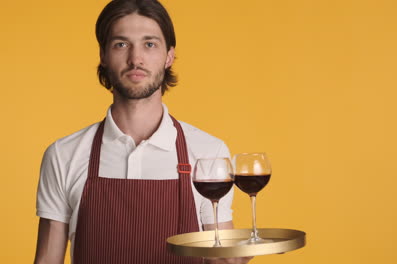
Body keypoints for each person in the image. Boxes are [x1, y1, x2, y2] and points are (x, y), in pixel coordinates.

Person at [34, 0, 251, 263]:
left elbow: (222, 257)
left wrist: (242, 255)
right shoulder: (63, 155)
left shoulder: (209, 152)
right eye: (121, 44)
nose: (136, 58)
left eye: (150, 44)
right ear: (103, 54)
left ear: (169, 56)